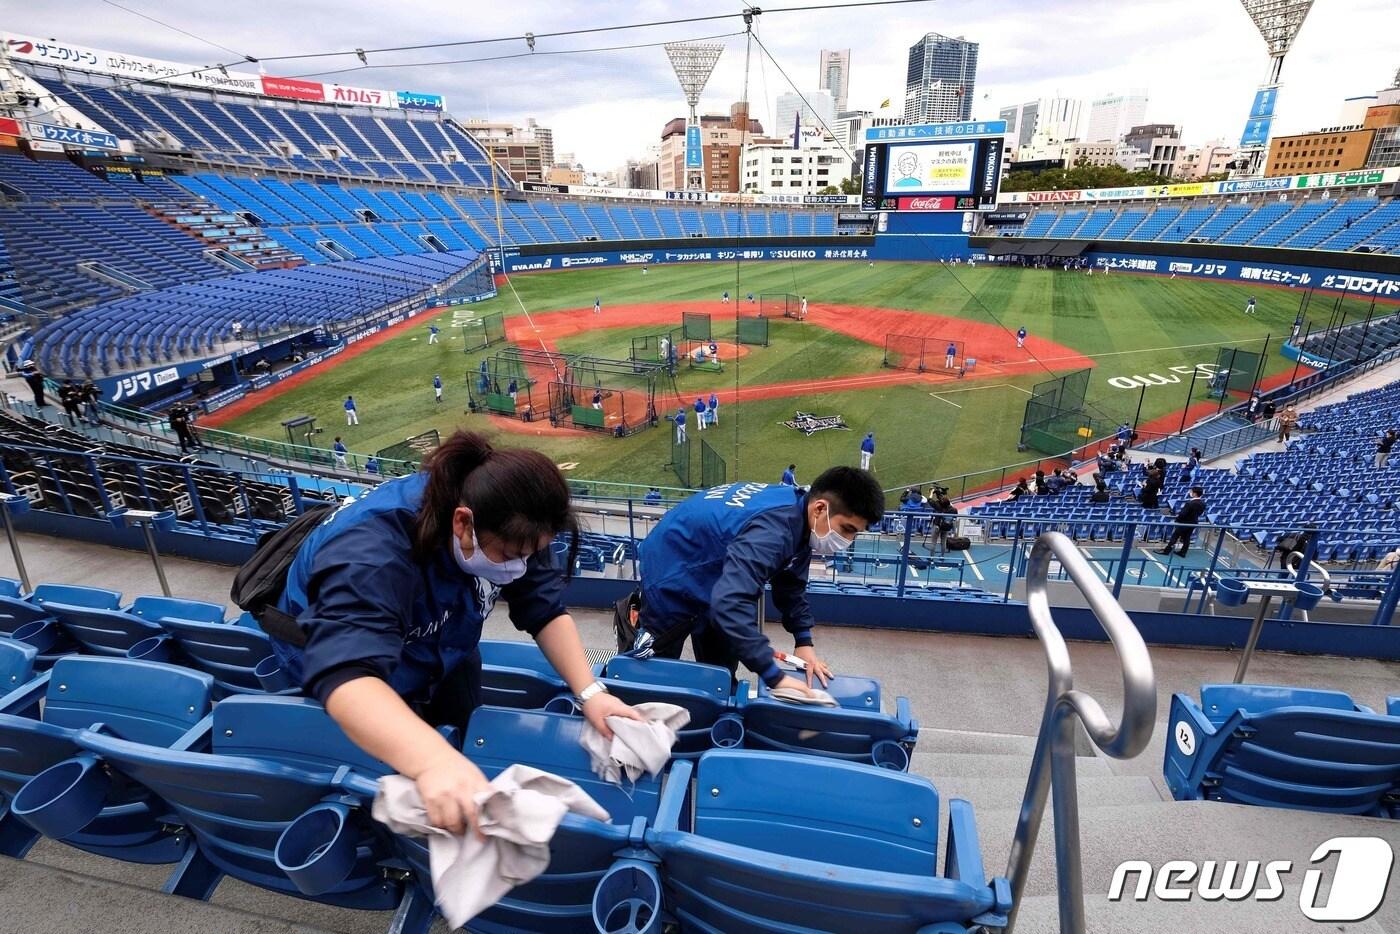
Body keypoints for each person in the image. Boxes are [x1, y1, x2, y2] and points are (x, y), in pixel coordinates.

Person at [264, 431, 641, 836]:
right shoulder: (372, 553)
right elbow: (347, 674)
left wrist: (591, 693)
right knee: (402, 764)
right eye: (512, 556)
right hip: (344, 654)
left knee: (453, 739)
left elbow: (544, 610)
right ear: (463, 522)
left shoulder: (514, 514)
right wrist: (432, 762)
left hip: (441, 639)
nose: (519, 567)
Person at [629, 467, 884, 691]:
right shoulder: (774, 532)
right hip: (673, 573)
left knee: (720, 673)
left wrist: (803, 640)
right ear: (820, 508)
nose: (848, 541)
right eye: (847, 529)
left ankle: (714, 718)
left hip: (716, 570)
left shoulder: (801, 514)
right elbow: (729, 603)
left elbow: (790, 582)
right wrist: (774, 677)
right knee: (653, 677)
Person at [1159, 486, 1207, 557]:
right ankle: (1183, 552)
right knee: (1187, 538)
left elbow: (1183, 514)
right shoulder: (1203, 503)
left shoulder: (1190, 503)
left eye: (1191, 492)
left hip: (1184, 523)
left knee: (1175, 536)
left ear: (1195, 494)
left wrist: (1177, 520)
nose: (1190, 493)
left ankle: (1167, 550)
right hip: (1193, 522)